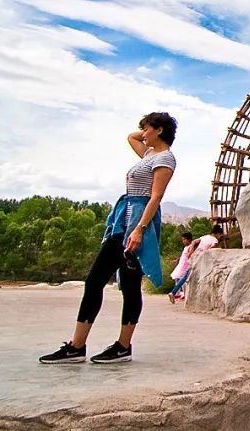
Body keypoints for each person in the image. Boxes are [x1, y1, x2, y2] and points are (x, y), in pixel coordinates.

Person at [39, 111, 178, 364]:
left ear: (159, 130)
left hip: (136, 224)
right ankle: (82, 345)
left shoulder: (165, 158)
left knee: (117, 283)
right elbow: (131, 136)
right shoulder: (149, 154)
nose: (142, 133)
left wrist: (139, 230)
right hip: (122, 220)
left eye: (147, 128)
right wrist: (146, 131)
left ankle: (108, 346)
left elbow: (155, 197)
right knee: (100, 282)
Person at [167, 223, 224, 304]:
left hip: (194, 258)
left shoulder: (205, 236)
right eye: (220, 235)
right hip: (200, 260)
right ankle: (175, 293)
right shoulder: (215, 240)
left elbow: (194, 242)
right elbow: (212, 249)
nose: (220, 237)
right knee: (188, 277)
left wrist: (191, 251)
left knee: (186, 277)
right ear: (218, 233)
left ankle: (174, 292)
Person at [168, 231, 195, 302]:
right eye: (182, 240)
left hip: (185, 266)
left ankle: (182, 294)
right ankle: (178, 293)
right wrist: (176, 260)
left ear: (189, 239)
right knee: (177, 278)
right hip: (181, 265)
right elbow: (183, 256)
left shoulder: (190, 247)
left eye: (184, 239)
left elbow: (190, 255)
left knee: (182, 279)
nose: (183, 241)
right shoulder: (185, 247)